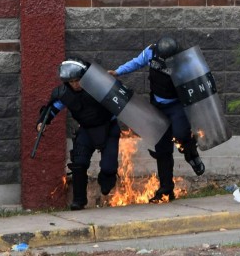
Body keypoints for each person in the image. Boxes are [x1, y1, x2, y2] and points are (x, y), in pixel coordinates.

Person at [108, 37, 205, 203]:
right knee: (162, 149)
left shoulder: (184, 60)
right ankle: (166, 190)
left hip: (177, 105)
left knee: (182, 134)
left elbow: (197, 82)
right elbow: (136, 63)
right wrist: (117, 72)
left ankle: (192, 154)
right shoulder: (151, 51)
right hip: (157, 107)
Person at [37, 58, 120, 211]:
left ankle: (107, 177)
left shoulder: (99, 86)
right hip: (87, 130)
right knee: (79, 163)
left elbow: (119, 100)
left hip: (108, 128)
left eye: (78, 80)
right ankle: (79, 200)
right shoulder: (64, 93)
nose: (75, 84)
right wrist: (43, 122)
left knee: (108, 168)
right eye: (72, 81)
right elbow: (53, 108)